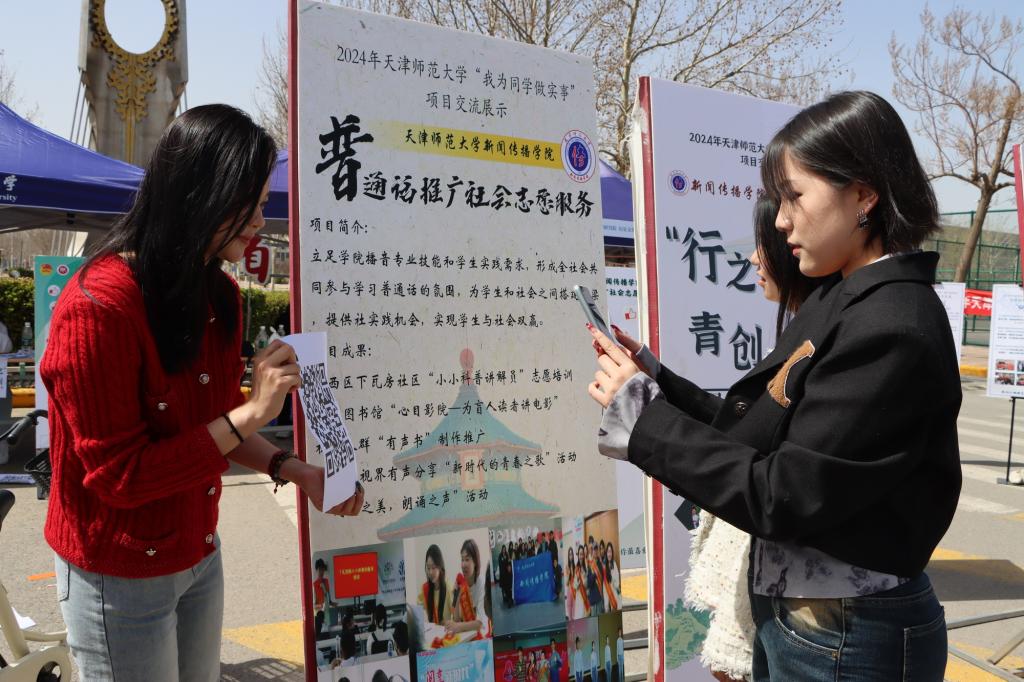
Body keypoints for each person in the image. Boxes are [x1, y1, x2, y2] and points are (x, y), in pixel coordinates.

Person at [588, 91, 959, 681]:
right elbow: (755, 434)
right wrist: (654, 383)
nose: (780, 220)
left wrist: (646, 419)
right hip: (820, 626)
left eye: (794, 196)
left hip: (846, 635)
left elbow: (783, 493)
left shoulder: (890, 325)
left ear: (863, 195)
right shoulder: (848, 301)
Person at [41, 104, 365, 682]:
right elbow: (121, 477)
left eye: (263, 202)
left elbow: (213, 428)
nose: (259, 220)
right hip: (118, 573)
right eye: (249, 203)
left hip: (198, 554)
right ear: (198, 194)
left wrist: (295, 470)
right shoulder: (98, 308)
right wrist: (252, 412)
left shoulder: (219, 295)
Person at [685, 197, 817, 682]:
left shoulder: (825, 339)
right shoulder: (803, 332)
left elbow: (767, 470)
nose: (753, 259)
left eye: (766, 244)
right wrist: (656, 380)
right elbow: (744, 430)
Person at [446, 538, 490, 639]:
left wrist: (458, 626)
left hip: (481, 637)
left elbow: (480, 624)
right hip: (466, 637)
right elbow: (456, 619)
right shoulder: (460, 581)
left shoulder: (482, 584)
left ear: (475, 562)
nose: (463, 564)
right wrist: (457, 596)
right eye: (462, 559)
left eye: (467, 559)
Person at [418, 544, 450, 624]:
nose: (430, 572)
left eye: (433, 567)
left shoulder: (448, 589)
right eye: (428, 568)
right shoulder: (425, 589)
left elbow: (455, 620)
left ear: (440, 566)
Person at [313, 558, 333, 639]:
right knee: (321, 637)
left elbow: (328, 597)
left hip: (327, 615)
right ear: (317, 570)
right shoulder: (315, 584)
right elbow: (314, 605)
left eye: (323, 570)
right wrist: (320, 606)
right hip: (319, 616)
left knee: (328, 636)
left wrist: (331, 603)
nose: (322, 572)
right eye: (320, 570)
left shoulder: (326, 581)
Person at [602, 543, 619, 612]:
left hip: (613, 593)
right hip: (606, 590)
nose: (609, 554)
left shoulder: (614, 564)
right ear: (606, 553)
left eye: (610, 552)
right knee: (606, 608)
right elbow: (604, 583)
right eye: (608, 552)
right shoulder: (604, 565)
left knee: (613, 609)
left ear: (612, 553)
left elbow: (617, 583)